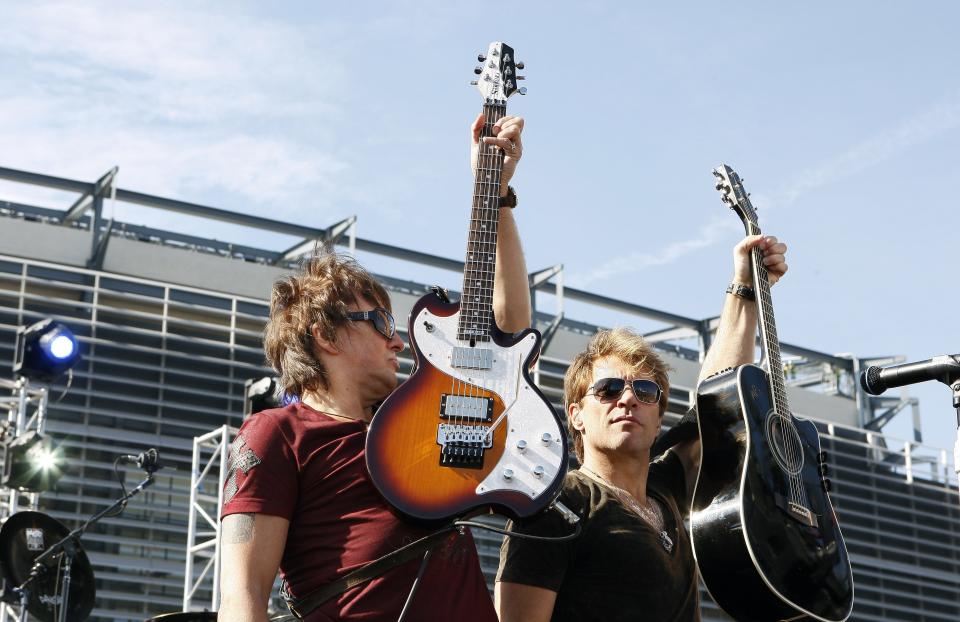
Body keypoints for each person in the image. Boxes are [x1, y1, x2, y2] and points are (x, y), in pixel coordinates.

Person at [218, 113, 528, 622]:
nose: (399, 340)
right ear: (324, 334)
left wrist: (497, 195)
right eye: (381, 321)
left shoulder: (418, 420)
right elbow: (243, 595)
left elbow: (506, 332)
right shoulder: (276, 434)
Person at [495, 235, 789, 622]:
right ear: (577, 415)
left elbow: (717, 405)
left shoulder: (665, 490)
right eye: (609, 389)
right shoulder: (556, 502)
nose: (628, 399)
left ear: (658, 417)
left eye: (646, 391)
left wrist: (746, 289)